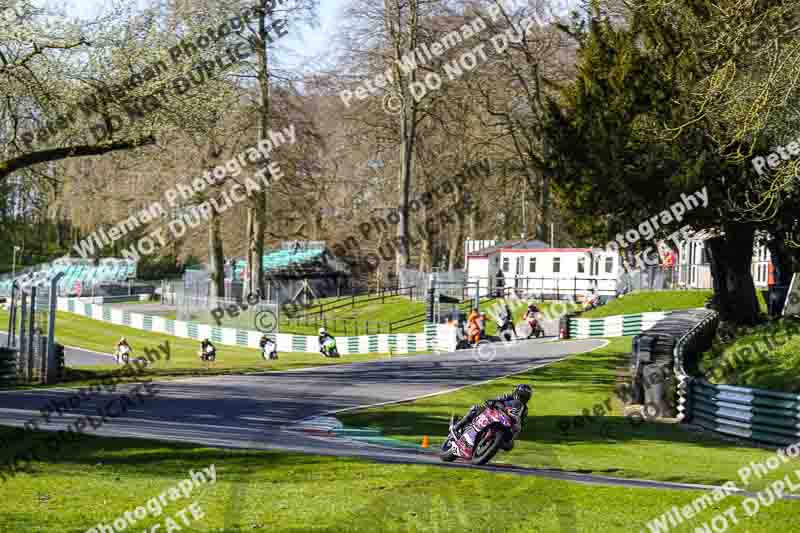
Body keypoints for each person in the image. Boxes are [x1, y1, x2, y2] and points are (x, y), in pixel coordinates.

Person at [450, 384, 533, 437]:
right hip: (494, 413)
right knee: (477, 408)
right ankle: (457, 426)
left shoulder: (524, 410)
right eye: (521, 396)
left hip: (505, 424)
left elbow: (521, 423)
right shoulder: (508, 396)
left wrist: (517, 428)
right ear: (516, 393)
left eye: (524, 397)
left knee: (509, 444)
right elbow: (495, 400)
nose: (522, 399)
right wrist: (493, 402)